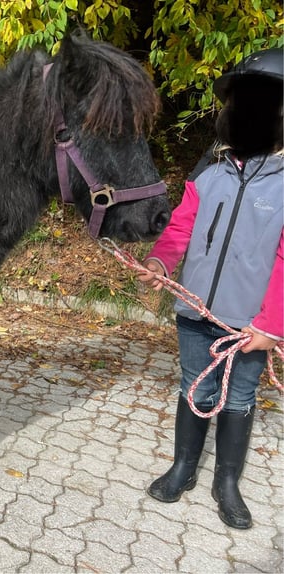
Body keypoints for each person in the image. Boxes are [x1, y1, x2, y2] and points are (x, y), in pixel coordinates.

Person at [137, 47, 283, 530]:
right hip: (194, 312)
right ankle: (183, 468)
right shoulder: (209, 170)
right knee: (194, 387)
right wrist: (161, 259)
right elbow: (182, 225)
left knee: (239, 398)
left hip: (248, 325)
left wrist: (273, 326)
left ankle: (227, 482)